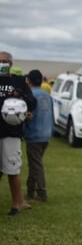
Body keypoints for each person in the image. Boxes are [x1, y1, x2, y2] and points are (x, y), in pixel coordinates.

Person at [0, 51, 36, 216]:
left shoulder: (19, 82)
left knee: (13, 169)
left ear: (11, 64)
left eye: (4, 61)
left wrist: (23, 108)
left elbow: (32, 102)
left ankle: (17, 203)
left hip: (11, 133)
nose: (2, 64)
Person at [24, 69, 55, 202]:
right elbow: (52, 116)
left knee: (36, 164)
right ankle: (30, 190)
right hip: (46, 134)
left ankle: (42, 192)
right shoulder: (48, 96)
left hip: (34, 134)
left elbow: (26, 116)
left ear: (28, 80)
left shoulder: (29, 95)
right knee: (34, 163)